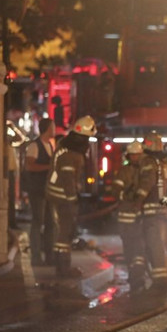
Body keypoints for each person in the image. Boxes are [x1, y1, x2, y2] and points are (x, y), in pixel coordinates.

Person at [46, 115, 96, 278]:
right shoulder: (72, 155)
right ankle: (64, 268)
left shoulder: (64, 146)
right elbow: (68, 179)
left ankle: (60, 266)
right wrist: (73, 200)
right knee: (65, 233)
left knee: (61, 232)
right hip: (62, 197)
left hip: (55, 194)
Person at [135, 131, 167, 292]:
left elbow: (147, 182)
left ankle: (160, 283)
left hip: (152, 212)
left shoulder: (149, 162)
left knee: (154, 246)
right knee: (163, 247)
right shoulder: (163, 163)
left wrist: (137, 200)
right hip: (164, 212)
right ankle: (164, 278)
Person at [110, 141, 148, 295]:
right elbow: (115, 190)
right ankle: (135, 280)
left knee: (140, 252)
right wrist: (127, 196)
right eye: (133, 155)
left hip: (139, 220)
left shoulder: (145, 172)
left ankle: (138, 279)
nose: (136, 158)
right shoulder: (124, 172)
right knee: (130, 252)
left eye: (138, 155)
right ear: (129, 156)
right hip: (126, 221)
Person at [24, 118, 55, 266]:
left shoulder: (50, 145)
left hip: (48, 190)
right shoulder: (34, 146)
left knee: (51, 222)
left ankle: (49, 255)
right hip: (37, 190)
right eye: (52, 127)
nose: (54, 129)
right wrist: (48, 167)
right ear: (47, 129)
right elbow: (29, 166)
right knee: (38, 221)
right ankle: (36, 257)